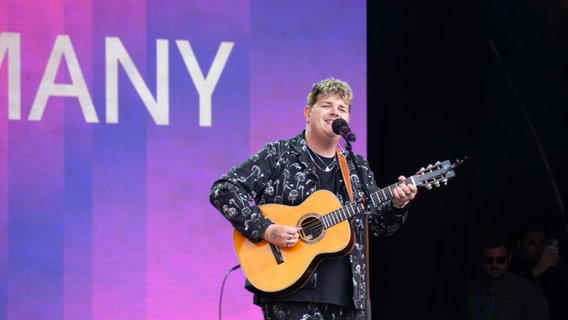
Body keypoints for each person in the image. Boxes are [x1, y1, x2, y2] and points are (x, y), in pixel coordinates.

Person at [209, 78, 418, 320]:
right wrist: (266, 230)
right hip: (292, 293)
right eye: (326, 105)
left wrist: (398, 204)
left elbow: (380, 226)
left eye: (342, 109)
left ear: (347, 120)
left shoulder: (356, 167)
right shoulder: (279, 155)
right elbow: (223, 190)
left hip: (349, 299)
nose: (334, 112)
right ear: (308, 113)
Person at [465, 237, 547, 320]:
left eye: (500, 260)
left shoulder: (525, 289)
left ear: (509, 257)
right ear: (481, 259)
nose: (494, 265)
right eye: (488, 260)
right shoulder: (473, 288)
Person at [510, 222, 568, 320]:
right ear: (520, 245)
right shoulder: (510, 268)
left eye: (542, 244)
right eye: (532, 243)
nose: (538, 249)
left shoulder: (551, 272)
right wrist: (537, 270)